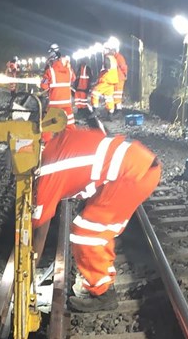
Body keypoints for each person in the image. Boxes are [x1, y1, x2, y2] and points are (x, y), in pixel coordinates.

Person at [32, 125, 161, 311]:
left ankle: (103, 295)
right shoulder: (57, 143)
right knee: (97, 229)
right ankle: (98, 280)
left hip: (132, 175)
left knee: (86, 234)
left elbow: (38, 228)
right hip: (140, 164)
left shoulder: (48, 172)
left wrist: (29, 266)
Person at [40, 44, 76, 140]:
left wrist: (44, 76)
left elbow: (43, 86)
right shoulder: (68, 70)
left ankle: (47, 146)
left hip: (54, 106)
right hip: (67, 105)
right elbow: (73, 78)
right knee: (70, 127)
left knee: (46, 127)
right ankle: (71, 145)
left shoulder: (50, 71)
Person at [91, 51, 119, 115]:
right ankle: (110, 113)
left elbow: (107, 68)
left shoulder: (107, 58)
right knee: (109, 97)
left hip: (106, 80)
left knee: (95, 92)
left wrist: (103, 72)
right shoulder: (113, 58)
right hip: (112, 81)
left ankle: (95, 110)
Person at [108, 43, 128, 111]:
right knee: (114, 94)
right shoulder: (113, 57)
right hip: (114, 78)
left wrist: (125, 74)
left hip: (119, 78)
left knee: (117, 95)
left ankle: (118, 109)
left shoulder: (119, 57)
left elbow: (123, 67)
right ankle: (115, 109)